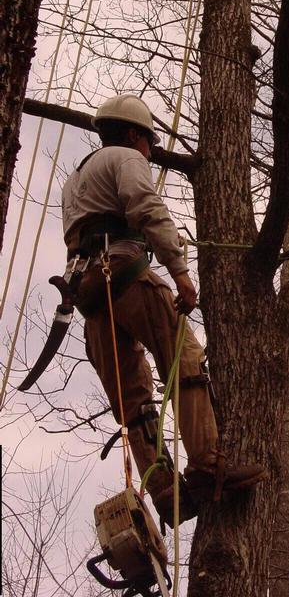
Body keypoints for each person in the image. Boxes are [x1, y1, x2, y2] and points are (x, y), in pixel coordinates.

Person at [62, 94, 265, 527]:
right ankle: (210, 466)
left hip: (90, 296)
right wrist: (181, 273)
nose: (150, 152)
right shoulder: (125, 158)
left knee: (133, 401)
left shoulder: (76, 178)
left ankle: (165, 488)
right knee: (185, 358)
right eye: (149, 143)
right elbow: (147, 208)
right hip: (124, 272)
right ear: (134, 133)